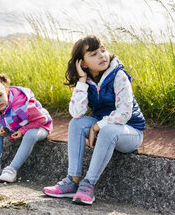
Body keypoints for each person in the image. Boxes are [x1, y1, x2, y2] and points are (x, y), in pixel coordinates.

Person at [43, 35, 145, 205]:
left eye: (103, 50)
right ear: (82, 63)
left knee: (108, 129)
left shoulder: (118, 75)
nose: (102, 56)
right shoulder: (87, 81)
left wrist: (98, 125)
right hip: (105, 131)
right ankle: (72, 182)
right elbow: (77, 113)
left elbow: (125, 113)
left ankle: (88, 185)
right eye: (94, 54)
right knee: (76, 124)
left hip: (130, 132)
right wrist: (82, 82)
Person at [0, 74, 53, 183]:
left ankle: (12, 169)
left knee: (30, 135)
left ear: (6, 91)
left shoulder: (22, 106)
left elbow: (42, 119)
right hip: (21, 125)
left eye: (0, 95)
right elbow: (7, 117)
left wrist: (23, 131)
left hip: (41, 126)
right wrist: (5, 126)